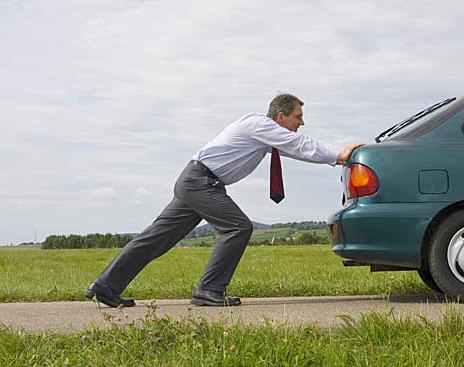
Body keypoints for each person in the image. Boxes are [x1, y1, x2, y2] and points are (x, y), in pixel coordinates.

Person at [86, 94, 362, 307]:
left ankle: (105, 287)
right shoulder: (258, 124)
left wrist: (330, 159)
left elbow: (298, 150)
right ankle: (209, 289)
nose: (301, 123)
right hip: (200, 182)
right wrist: (338, 154)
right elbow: (301, 145)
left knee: (156, 238)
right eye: (298, 116)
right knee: (238, 227)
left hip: (197, 181)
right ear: (281, 116)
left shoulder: (265, 134)